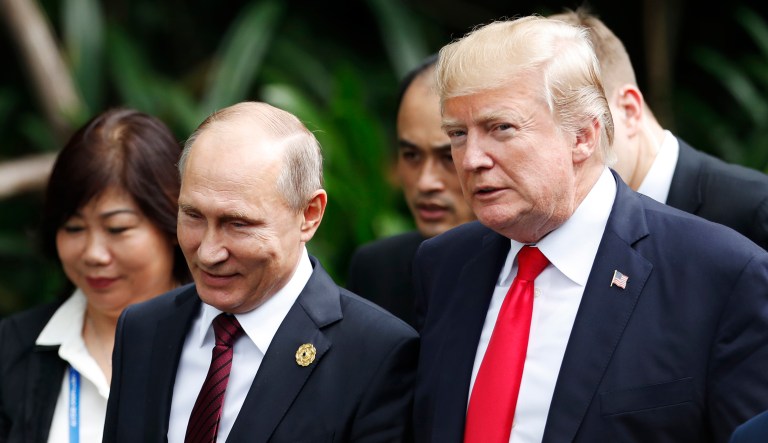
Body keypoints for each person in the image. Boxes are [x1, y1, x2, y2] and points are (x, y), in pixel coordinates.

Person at [413, 15, 768, 443]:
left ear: (583, 134)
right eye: (457, 134)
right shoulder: (444, 265)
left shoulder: (719, 274)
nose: (471, 160)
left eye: (500, 128)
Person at [103, 101, 418, 442]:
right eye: (193, 216)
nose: (208, 252)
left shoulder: (375, 355)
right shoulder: (142, 329)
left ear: (309, 214)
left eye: (237, 224)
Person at [0, 108, 190, 442]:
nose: (93, 254)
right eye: (73, 228)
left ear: (174, 223)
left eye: (117, 228)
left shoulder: (223, 344)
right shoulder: (12, 348)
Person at [549, 7, 768, 250]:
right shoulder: (562, 224)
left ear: (629, 110)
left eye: (579, 129)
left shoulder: (753, 210)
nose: (560, 153)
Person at [346, 54, 474, 327]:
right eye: (411, 155)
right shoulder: (378, 270)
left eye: (448, 158)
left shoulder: (528, 275)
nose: (426, 182)